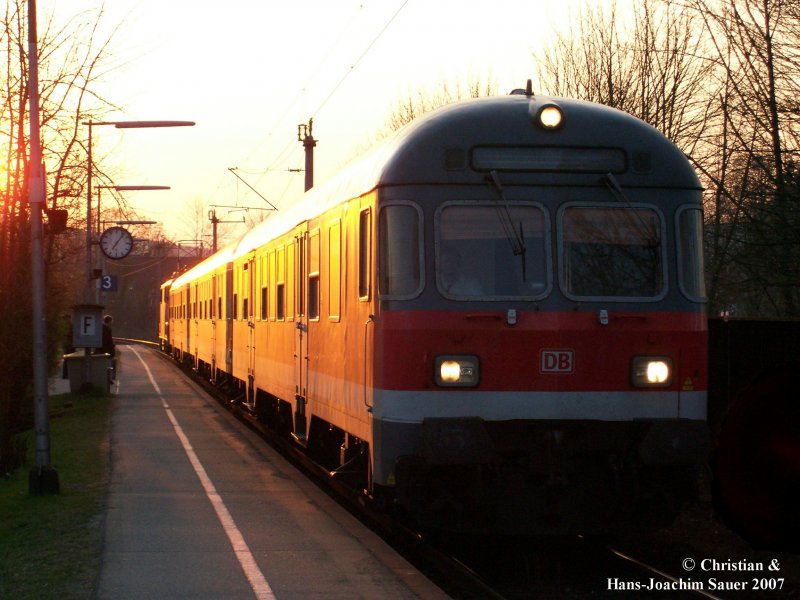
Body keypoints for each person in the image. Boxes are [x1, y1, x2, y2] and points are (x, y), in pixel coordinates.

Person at [100, 314, 116, 379]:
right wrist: (112, 346)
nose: (112, 323)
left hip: (102, 350)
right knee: (108, 365)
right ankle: (107, 378)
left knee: (104, 365)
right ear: (109, 321)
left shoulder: (101, 328)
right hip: (107, 351)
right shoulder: (107, 329)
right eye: (111, 322)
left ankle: (106, 378)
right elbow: (109, 340)